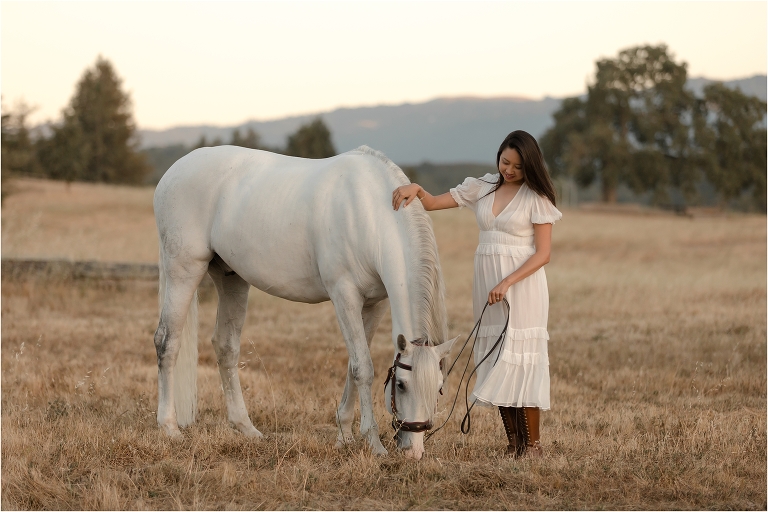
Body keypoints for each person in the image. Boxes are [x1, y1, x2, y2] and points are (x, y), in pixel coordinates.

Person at [392, 130, 561, 458]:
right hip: (487, 286)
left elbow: (543, 254)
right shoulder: (482, 186)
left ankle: (533, 447)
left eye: (518, 167)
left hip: (522, 289)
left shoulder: (537, 198)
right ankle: (514, 444)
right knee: (496, 359)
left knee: (520, 360)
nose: (509, 170)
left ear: (531, 168)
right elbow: (434, 202)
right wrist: (417, 189)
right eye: (505, 162)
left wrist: (508, 282)